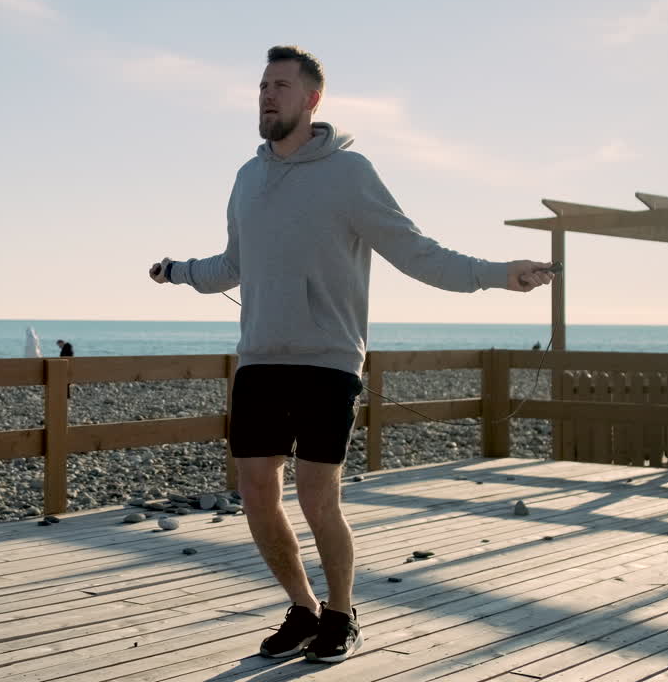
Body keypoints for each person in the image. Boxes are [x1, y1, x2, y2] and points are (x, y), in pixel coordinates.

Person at [147, 45, 555, 665]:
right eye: (262, 85)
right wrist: (178, 271)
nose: (266, 94)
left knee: (317, 496)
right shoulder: (246, 178)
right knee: (256, 491)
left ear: (313, 99)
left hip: (328, 360)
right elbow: (233, 263)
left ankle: (342, 612)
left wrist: (499, 274)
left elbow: (418, 252)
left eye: (280, 85)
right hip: (259, 359)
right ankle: (304, 608)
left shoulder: (350, 172)